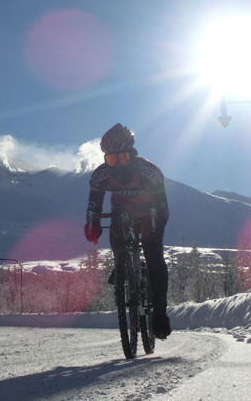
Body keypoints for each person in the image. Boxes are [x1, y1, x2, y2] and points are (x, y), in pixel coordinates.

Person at [84, 123, 171, 339]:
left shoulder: (149, 172)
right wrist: (92, 225)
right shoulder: (101, 174)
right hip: (122, 208)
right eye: (111, 160)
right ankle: (121, 261)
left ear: (132, 154)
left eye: (121, 158)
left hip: (148, 208)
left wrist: (156, 225)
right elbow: (94, 206)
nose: (117, 165)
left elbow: (162, 208)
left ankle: (160, 313)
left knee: (153, 253)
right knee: (117, 223)